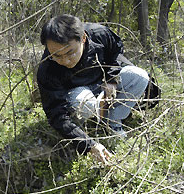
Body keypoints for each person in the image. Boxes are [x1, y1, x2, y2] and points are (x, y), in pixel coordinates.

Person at [36, 14, 149, 163]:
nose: (65, 61)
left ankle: (112, 123)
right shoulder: (47, 69)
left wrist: (112, 79)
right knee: (84, 103)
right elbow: (57, 116)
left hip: (102, 81)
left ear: (83, 38)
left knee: (139, 76)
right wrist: (89, 144)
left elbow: (115, 52)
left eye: (71, 53)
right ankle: (92, 125)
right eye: (57, 56)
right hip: (78, 93)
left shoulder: (99, 34)